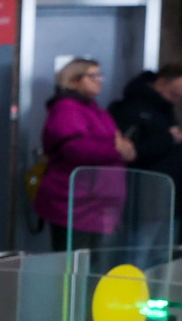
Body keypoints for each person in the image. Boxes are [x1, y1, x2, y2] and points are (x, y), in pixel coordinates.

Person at [34, 57, 134, 254]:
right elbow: (76, 149)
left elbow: (123, 144)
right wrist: (116, 150)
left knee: (94, 265)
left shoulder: (96, 110)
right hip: (76, 204)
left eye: (100, 75)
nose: (100, 80)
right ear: (74, 80)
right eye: (93, 76)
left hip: (100, 206)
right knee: (73, 265)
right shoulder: (66, 109)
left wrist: (124, 149)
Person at [110, 65, 182, 235]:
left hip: (169, 194)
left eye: (180, 96)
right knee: (142, 246)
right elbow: (131, 153)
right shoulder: (132, 109)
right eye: (173, 94)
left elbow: (170, 153)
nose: (176, 100)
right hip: (143, 195)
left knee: (163, 246)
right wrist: (168, 139)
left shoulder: (165, 110)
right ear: (161, 83)